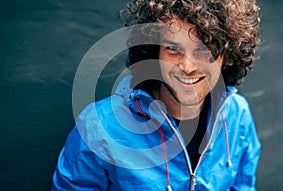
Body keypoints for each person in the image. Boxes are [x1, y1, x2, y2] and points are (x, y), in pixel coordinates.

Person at [52, 0, 262, 190]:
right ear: (154, 51)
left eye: (205, 49)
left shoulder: (238, 116)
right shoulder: (98, 126)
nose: (187, 66)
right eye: (173, 48)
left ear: (228, 55)